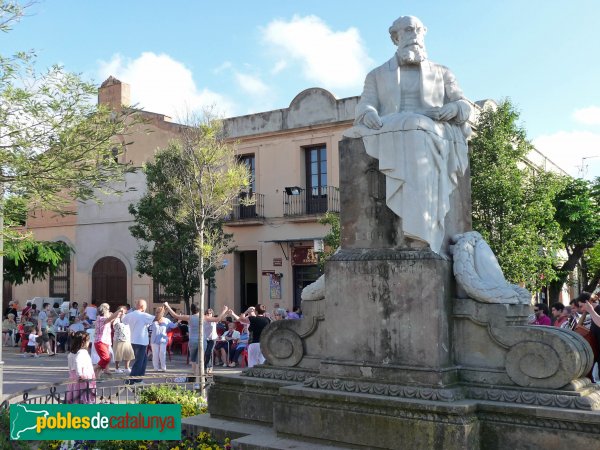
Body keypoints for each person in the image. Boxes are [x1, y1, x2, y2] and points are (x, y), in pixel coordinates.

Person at [349, 15, 471, 255]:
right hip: (390, 125)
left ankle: (420, 229)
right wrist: (369, 113)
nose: (414, 35)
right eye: (407, 30)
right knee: (412, 126)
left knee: (416, 126)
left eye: (417, 30)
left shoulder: (443, 72)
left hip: (435, 126)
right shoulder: (377, 74)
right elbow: (365, 105)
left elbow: (463, 104)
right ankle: (419, 228)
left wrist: (454, 108)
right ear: (396, 37)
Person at [121, 299, 155, 384]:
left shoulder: (131, 314)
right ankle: (132, 380)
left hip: (134, 340)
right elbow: (156, 319)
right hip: (141, 341)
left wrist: (123, 313)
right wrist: (163, 310)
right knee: (139, 361)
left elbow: (123, 320)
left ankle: (139, 379)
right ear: (142, 306)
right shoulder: (143, 315)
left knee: (143, 360)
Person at [93, 303, 123, 377]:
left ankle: (97, 376)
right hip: (100, 341)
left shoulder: (103, 319)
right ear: (105, 311)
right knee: (106, 358)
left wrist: (117, 314)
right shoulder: (101, 318)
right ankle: (93, 370)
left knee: (103, 360)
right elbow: (111, 318)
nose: (110, 311)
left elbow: (112, 318)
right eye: (108, 309)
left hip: (105, 342)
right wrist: (119, 310)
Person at [66, 331, 96, 404]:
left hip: (73, 375)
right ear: (84, 342)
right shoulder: (82, 352)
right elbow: (77, 361)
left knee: (75, 393)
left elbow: (70, 366)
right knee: (84, 394)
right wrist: (80, 374)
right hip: (83, 376)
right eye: (88, 341)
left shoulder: (71, 353)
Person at [150, 306, 178, 372]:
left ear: (163, 313)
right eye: (157, 312)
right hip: (154, 339)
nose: (158, 313)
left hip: (163, 339)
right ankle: (155, 368)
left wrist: (178, 321)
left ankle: (163, 367)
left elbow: (173, 326)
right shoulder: (152, 319)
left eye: (159, 312)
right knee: (155, 354)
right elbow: (148, 327)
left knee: (162, 353)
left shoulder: (166, 320)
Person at [112, 307, 134, 374]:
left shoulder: (127, 318)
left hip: (127, 339)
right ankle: (117, 368)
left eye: (124, 311)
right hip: (118, 339)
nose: (124, 312)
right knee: (117, 355)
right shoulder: (116, 319)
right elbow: (113, 324)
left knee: (129, 354)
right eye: (122, 311)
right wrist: (118, 315)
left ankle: (127, 368)